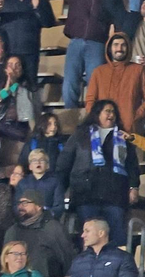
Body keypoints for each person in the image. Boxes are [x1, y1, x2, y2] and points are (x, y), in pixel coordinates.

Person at [56, 102, 140, 246]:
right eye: (107, 111)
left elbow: (132, 164)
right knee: (89, 237)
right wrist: (60, 189)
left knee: (116, 237)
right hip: (86, 194)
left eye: (114, 112)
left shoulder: (122, 136)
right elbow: (64, 163)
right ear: (97, 113)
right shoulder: (80, 135)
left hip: (115, 195)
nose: (111, 115)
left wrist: (134, 187)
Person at [62, 217, 141, 277]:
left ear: (101, 233)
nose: (82, 235)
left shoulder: (123, 258)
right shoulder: (79, 260)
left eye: (87, 231)